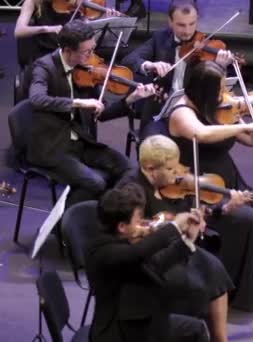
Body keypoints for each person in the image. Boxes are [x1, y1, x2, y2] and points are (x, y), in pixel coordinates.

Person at [142, 58, 253, 311]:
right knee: (248, 221)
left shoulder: (220, 109)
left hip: (227, 176)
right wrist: (236, 125)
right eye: (219, 89)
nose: (226, 94)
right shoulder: (182, 112)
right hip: (198, 185)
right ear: (203, 90)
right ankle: (231, 290)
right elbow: (201, 134)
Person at [117, 135, 239, 342]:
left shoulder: (165, 186)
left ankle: (220, 339)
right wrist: (172, 230)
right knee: (195, 285)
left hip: (175, 246)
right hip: (149, 260)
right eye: (171, 170)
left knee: (215, 267)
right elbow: (130, 236)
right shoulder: (130, 191)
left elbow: (177, 218)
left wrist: (219, 210)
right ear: (149, 167)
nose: (177, 175)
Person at [27, 19, 156, 207]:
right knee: (94, 182)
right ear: (68, 51)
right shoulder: (45, 67)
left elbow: (101, 114)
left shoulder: (86, 73)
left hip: (81, 142)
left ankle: (106, 214)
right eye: (86, 52)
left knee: (130, 170)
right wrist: (77, 103)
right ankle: (63, 228)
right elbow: (36, 99)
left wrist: (131, 99)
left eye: (92, 49)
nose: (91, 56)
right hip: (53, 145)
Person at [85, 182, 210, 342]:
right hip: (119, 331)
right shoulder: (101, 250)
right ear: (122, 226)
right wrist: (175, 226)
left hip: (139, 316)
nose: (142, 224)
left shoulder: (121, 241)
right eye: (137, 219)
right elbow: (137, 253)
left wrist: (187, 239)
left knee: (196, 328)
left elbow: (155, 265)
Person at [121, 0, 235, 129]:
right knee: (155, 145)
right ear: (170, 22)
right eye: (181, 25)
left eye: (192, 24)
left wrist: (220, 67)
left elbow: (220, 90)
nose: (187, 31)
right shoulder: (160, 38)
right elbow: (129, 60)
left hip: (193, 112)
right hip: (160, 109)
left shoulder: (206, 45)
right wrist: (149, 65)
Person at [14, 0, 123, 67]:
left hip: (72, 54)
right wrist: (46, 28)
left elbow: (86, 33)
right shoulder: (33, 2)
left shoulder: (76, 3)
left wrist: (103, 19)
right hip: (46, 54)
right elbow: (19, 31)